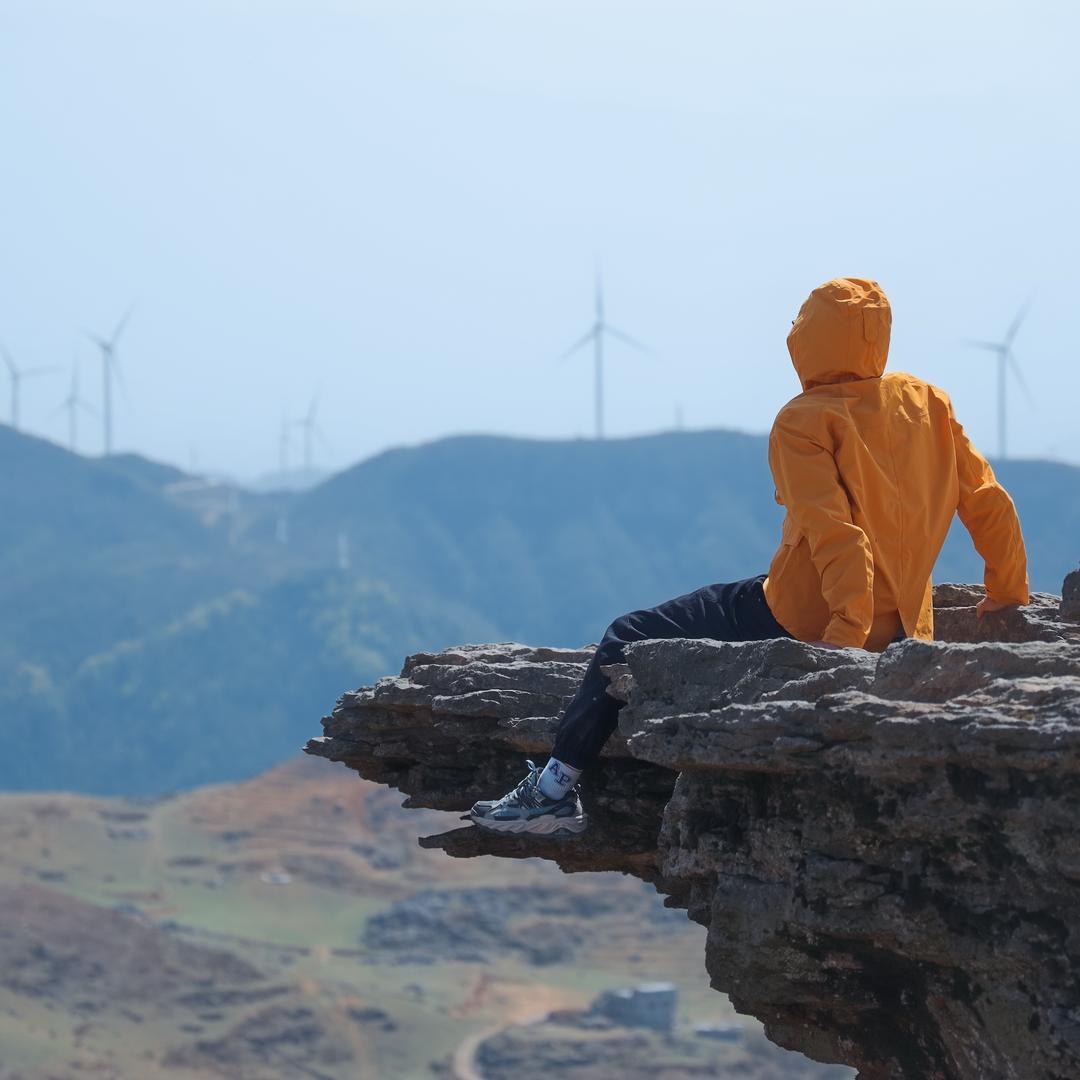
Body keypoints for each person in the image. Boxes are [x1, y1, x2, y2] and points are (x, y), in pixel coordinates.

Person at [470, 277, 1030, 835]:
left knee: (625, 635)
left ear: (813, 336)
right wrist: (1008, 594)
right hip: (910, 630)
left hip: (801, 617)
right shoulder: (927, 400)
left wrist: (838, 655)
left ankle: (553, 790)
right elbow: (987, 503)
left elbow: (839, 537)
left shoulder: (805, 419)